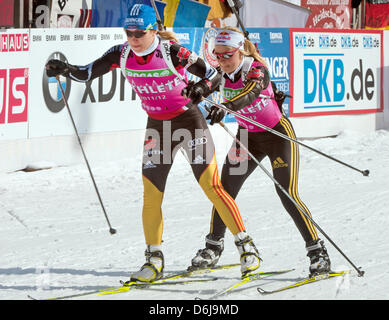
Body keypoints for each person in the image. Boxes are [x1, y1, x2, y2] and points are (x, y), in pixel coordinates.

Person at [45, 5, 260, 282]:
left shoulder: (172, 52)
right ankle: (154, 259)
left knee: (211, 186)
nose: (133, 38)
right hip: (158, 127)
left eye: (139, 32)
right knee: (151, 195)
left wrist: (202, 88)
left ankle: (245, 246)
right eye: (128, 32)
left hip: (189, 123)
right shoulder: (120, 54)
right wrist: (66, 69)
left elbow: (214, 74)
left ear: (153, 30)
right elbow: (87, 73)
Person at [191, 27, 331, 277]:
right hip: (247, 138)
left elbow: (251, 92)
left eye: (227, 55)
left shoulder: (256, 69)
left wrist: (226, 106)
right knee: (224, 191)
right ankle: (213, 246)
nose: (222, 60)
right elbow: (206, 84)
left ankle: (317, 251)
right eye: (217, 55)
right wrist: (196, 91)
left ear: (240, 51)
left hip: (277, 134)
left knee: (286, 193)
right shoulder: (221, 73)